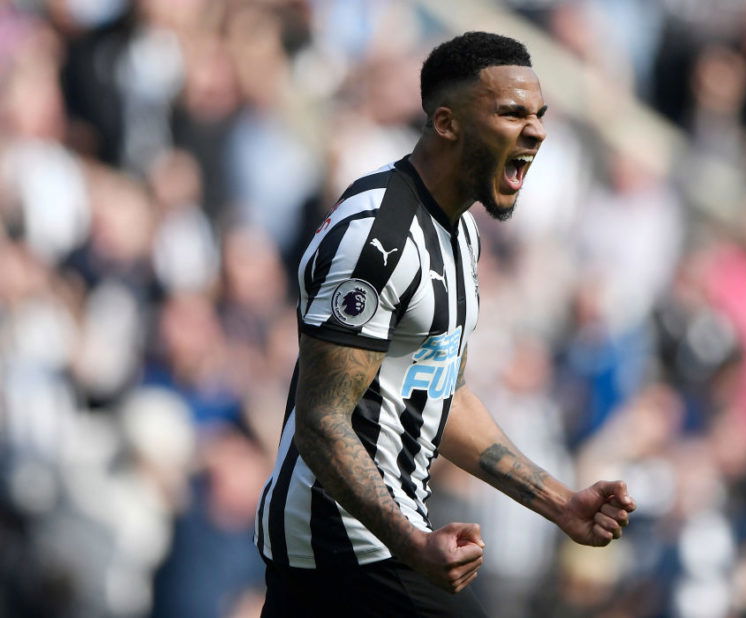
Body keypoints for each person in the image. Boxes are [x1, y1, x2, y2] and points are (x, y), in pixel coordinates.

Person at [255, 31, 636, 617]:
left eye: (539, 115)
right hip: (342, 545)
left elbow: (441, 396)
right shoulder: (377, 238)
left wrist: (561, 503)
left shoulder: (459, 233)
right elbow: (320, 421)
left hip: (379, 543)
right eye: (511, 113)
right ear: (447, 123)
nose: (535, 131)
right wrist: (410, 542)